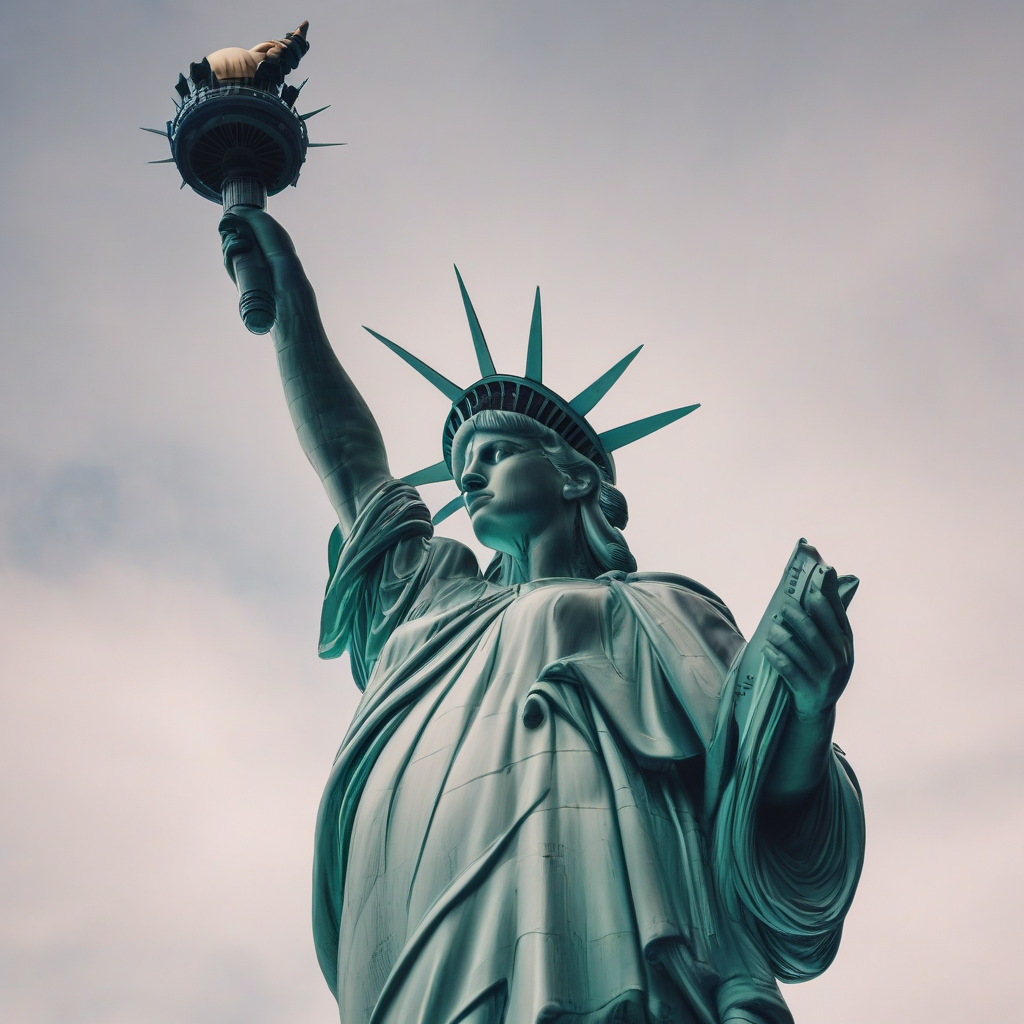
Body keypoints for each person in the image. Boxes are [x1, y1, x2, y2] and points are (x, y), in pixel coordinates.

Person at [218, 207, 865, 1024]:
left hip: (620, 932)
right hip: (429, 938)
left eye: (496, 453)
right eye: (463, 466)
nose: (471, 478)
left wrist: (805, 708)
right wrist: (290, 307)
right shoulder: (435, 599)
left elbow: (758, 789)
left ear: (572, 478)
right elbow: (352, 466)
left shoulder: (663, 613)